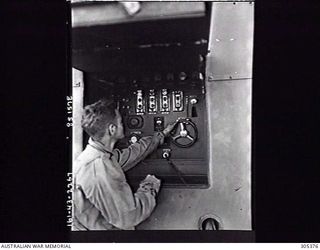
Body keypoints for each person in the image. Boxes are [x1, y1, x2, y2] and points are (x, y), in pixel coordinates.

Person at [72, 99, 177, 230]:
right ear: (112, 129)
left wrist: (160, 136)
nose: (124, 125)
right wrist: (149, 187)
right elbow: (128, 218)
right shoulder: (98, 168)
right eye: (120, 122)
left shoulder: (98, 154)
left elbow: (130, 155)